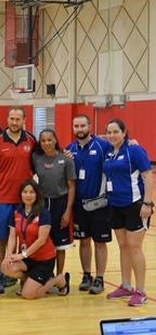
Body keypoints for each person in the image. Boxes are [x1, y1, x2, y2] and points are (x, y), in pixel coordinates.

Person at [102, 119, 153, 306]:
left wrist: (147, 203)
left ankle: (141, 291)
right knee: (123, 245)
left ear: (124, 133)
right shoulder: (108, 151)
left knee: (134, 246)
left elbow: (148, 176)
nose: (112, 135)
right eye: (109, 132)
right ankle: (125, 286)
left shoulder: (134, 150)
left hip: (135, 205)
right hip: (115, 205)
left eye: (116, 132)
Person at [0, 106, 36, 293]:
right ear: (7, 120)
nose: (14, 122)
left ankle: (16, 273)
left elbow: (43, 161)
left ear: (24, 120)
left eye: (18, 119)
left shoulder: (31, 140)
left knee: (24, 238)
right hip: (1, 198)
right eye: (11, 119)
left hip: (25, 200)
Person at [65, 114, 113, 295]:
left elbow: (120, 147)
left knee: (100, 242)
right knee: (84, 241)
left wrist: (131, 142)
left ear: (90, 126)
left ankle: (100, 277)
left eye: (82, 125)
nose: (79, 129)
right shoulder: (69, 150)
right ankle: (87, 275)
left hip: (99, 204)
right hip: (78, 205)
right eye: (76, 126)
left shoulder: (103, 146)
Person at [2, 179, 70, 299]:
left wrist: (23, 255)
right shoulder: (17, 211)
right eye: (25, 192)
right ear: (21, 194)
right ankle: (30, 280)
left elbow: (41, 240)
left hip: (43, 260)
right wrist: (9, 256)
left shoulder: (44, 213)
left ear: (37, 195)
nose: (28, 195)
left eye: (32, 192)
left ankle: (57, 280)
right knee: (6, 266)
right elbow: (12, 236)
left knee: (28, 295)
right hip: (28, 259)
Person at [32, 129, 75, 278]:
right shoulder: (36, 158)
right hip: (43, 204)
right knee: (43, 241)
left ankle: (59, 277)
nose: (46, 143)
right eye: (43, 141)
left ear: (55, 140)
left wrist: (67, 211)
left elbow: (71, 186)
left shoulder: (66, 159)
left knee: (60, 245)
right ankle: (45, 275)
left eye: (49, 140)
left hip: (60, 204)